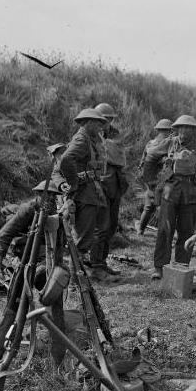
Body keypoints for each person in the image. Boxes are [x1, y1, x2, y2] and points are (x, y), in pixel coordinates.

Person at [56, 108, 115, 282]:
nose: (101, 127)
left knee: (101, 230)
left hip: (95, 191)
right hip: (86, 194)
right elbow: (66, 160)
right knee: (82, 239)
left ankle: (93, 270)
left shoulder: (92, 139)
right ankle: (74, 280)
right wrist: (74, 183)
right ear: (88, 123)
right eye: (98, 123)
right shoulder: (81, 139)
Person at [152, 115, 196, 279]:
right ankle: (159, 267)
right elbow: (151, 157)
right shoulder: (169, 143)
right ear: (177, 129)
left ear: (194, 130)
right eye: (181, 127)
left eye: (189, 128)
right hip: (169, 193)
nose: (184, 131)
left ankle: (180, 267)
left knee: (186, 232)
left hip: (191, 195)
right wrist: (152, 184)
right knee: (165, 230)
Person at [90, 102, 128, 276]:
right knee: (101, 227)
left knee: (111, 226)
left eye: (110, 119)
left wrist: (107, 147)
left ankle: (102, 262)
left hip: (115, 184)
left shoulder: (115, 134)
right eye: (105, 119)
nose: (108, 123)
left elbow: (119, 156)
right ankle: (96, 266)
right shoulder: (90, 135)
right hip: (99, 186)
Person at [136, 118, 173, 235]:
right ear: (169, 131)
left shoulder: (150, 143)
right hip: (163, 179)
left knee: (149, 207)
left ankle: (140, 229)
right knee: (165, 207)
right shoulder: (169, 144)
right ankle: (164, 233)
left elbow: (142, 163)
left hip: (150, 179)